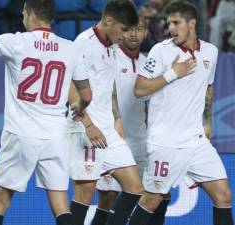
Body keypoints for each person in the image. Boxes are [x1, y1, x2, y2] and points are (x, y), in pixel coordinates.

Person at [0, 0, 92, 225]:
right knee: (61, 206)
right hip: (56, 135)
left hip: (21, 132)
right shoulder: (70, 48)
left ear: (32, 14)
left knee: (0, 202)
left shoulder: (15, 42)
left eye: (24, 14)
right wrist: (78, 109)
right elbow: (86, 96)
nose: (22, 18)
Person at [129, 1, 234, 225]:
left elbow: (208, 88)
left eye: (176, 23)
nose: (172, 28)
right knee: (152, 199)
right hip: (165, 142)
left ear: (192, 23)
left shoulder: (211, 52)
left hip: (196, 142)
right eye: (169, 23)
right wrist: (172, 74)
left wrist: (207, 121)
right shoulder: (161, 51)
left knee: (223, 194)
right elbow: (139, 89)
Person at [67, 1, 143, 225]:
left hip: (107, 130)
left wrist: (117, 117)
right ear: (108, 21)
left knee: (134, 189)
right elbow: (68, 85)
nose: (126, 35)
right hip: (84, 128)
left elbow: (108, 87)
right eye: (123, 29)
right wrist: (88, 125)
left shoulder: (112, 46)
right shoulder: (83, 43)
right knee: (84, 195)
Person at [86, 14, 151, 225]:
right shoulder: (110, 54)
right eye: (130, 28)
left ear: (146, 32)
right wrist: (116, 118)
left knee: (145, 195)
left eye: (139, 29)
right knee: (107, 198)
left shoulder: (148, 62)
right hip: (114, 138)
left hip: (140, 139)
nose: (134, 34)